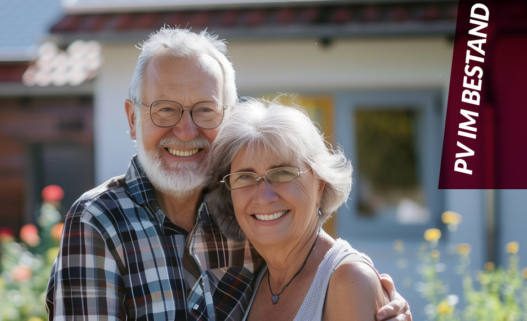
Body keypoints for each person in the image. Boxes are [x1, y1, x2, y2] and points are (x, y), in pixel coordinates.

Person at [46, 28, 411, 320]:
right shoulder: (98, 221)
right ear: (132, 119)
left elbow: (325, 276)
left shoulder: (248, 214)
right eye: (165, 109)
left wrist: (368, 292)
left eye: (205, 110)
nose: (186, 131)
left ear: (229, 116)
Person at [189, 98, 393, 320]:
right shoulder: (248, 279)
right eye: (245, 177)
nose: (263, 197)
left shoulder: (348, 280)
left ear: (319, 185)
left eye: (282, 173)